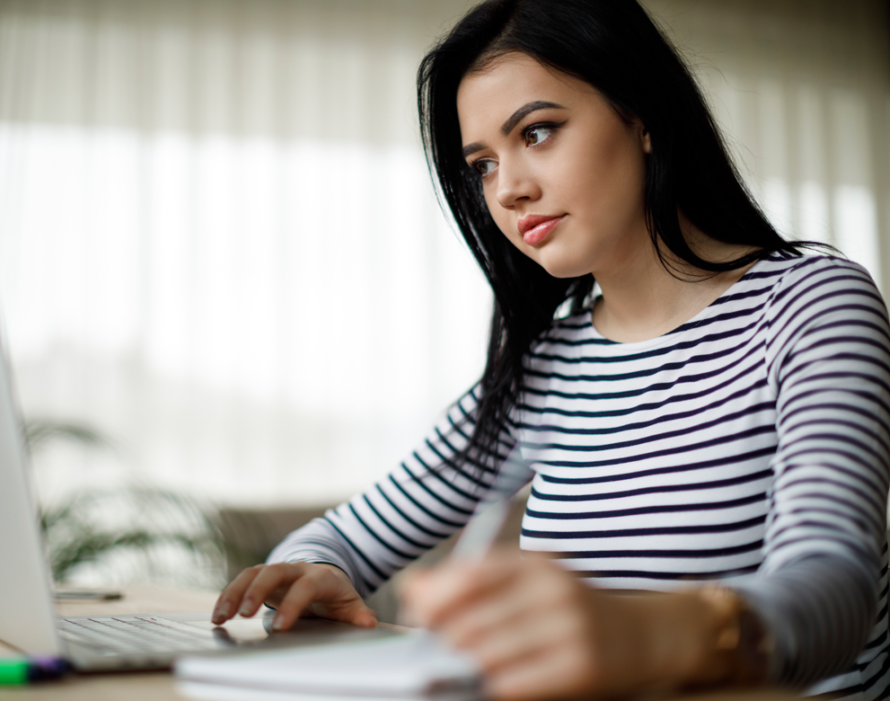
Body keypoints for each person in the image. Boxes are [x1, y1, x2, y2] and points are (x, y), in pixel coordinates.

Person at [211, 0, 890, 698]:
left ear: (642, 114)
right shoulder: (547, 367)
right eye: (482, 165)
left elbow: (835, 587)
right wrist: (309, 570)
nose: (508, 189)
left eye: (537, 132)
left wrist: (651, 635)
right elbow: (341, 540)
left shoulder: (809, 304)